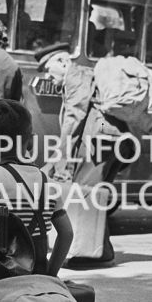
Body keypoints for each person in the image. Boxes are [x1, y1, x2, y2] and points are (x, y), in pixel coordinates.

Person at [0, 98, 74, 276]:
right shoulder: (49, 184)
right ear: (30, 142)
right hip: (37, 277)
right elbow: (67, 233)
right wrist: (51, 274)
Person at [34, 42, 116, 264]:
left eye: (50, 70)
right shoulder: (77, 77)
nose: (49, 78)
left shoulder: (76, 76)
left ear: (63, 62)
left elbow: (74, 118)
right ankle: (99, 250)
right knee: (90, 193)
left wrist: (57, 158)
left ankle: (92, 252)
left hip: (103, 143)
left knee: (86, 193)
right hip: (104, 142)